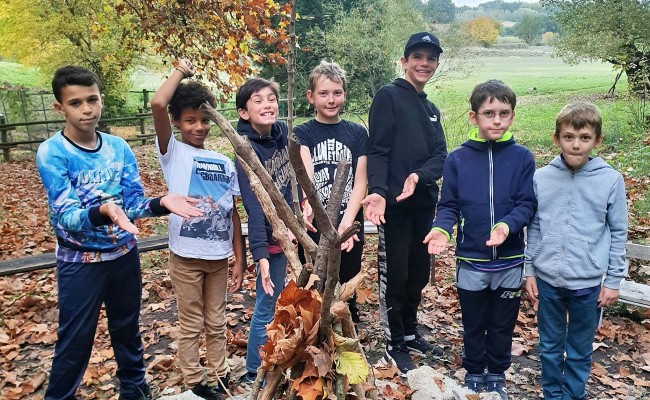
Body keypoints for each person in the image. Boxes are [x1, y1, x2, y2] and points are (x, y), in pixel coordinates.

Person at [37, 66, 203, 400]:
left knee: (127, 329)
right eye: (76, 103)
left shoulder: (118, 148)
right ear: (61, 108)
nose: (87, 109)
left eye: (92, 99)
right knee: (76, 338)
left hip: (124, 256)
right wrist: (105, 211)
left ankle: (134, 388)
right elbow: (67, 216)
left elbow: (134, 203)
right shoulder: (52, 153)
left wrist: (161, 202)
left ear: (101, 100)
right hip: (81, 262)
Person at [424, 80, 536, 399]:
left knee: (501, 324)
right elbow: (448, 206)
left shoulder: (522, 158)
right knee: (474, 323)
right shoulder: (457, 159)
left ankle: (497, 374)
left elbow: (527, 204)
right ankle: (474, 371)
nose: (496, 120)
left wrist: (506, 226)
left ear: (512, 116)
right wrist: (441, 230)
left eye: (503, 113)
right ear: (474, 117)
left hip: (510, 262)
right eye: (489, 113)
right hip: (471, 262)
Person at [151, 59, 245, 399]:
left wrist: (241, 257)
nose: (199, 126)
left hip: (218, 256)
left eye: (205, 120)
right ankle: (195, 381)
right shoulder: (172, 152)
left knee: (217, 321)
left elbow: (233, 212)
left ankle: (220, 376)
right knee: (191, 323)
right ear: (177, 122)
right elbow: (158, 103)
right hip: (186, 257)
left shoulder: (223, 162)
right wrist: (180, 70)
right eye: (190, 120)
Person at [524, 101, 627, 400]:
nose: (577, 145)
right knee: (550, 346)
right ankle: (552, 395)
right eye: (569, 137)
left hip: (587, 284)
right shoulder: (542, 178)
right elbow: (534, 226)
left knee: (580, 349)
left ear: (597, 140)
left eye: (584, 138)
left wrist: (613, 280)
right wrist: (529, 270)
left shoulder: (610, 180)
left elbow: (618, 231)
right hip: (547, 281)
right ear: (557, 139)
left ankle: (573, 395)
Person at [360, 32, 448, 375]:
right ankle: (393, 341)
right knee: (395, 274)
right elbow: (377, 149)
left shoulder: (431, 109)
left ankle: (410, 332)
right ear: (405, 61)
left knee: (417, 274)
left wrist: (419, 177)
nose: (424, 63)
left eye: (431, 58)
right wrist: (379, 191)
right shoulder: (388, 96)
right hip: (393, 207)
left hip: (424, 204)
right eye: (418, 57)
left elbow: (441, 156)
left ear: (436, 64)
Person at [295, 60, 368, 324]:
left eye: (337, 93)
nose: (330, 99)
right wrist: (309, 204)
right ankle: (315, 326)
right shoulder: (303, 132)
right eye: (323, 93)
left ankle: (348, 323)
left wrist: (348, 224)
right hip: (315, 220)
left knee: (347, 275)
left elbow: (361, 182)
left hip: (348, 217)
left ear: (345, 94)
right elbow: (305, 171)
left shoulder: (357, 134)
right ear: (311, 96)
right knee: (317, 275)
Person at [235, 77, 293, 382]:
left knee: (284, 300)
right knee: (266, 304)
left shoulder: (280, 132)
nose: (267, 104)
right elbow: (253, 205)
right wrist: (261, 256)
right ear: (244, 112)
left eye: (271, 98)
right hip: (269, 238)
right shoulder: (245, 149)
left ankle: (278, 356)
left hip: (290, 233)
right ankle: (252, 372)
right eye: (258, 101)